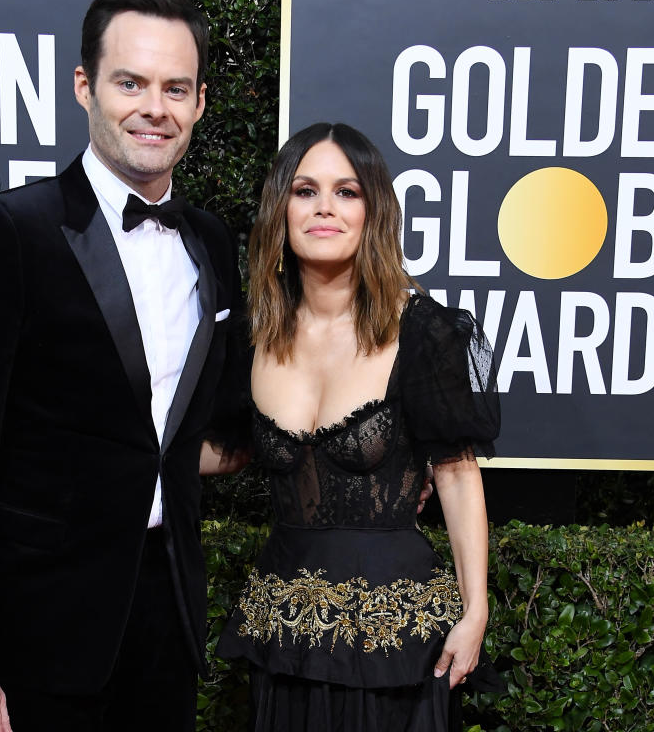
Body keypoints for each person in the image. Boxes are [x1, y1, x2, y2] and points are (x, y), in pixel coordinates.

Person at [0, 0, 242, 730]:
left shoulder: (212, 243)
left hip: (167, 618)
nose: (154, 107)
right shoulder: (7, 233)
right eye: (131, 82)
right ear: (85, 86)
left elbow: (208, 423)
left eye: (176, 88)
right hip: (39, 634)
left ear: (197, 103)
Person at [215, 123, 503, 731]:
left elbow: (455, 474)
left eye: (347, 192)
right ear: (279, 210)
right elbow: (228, 450)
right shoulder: (250, 334)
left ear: (374, 211)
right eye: (304, 190)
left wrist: (475, 610)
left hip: (395, 645)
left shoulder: (424, 331)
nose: (324, 207)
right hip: (283, 631)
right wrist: (115, 446)